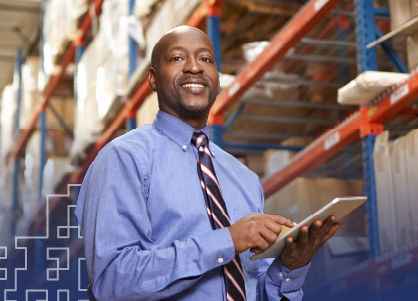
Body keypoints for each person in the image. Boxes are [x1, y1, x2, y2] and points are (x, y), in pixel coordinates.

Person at [75, 25, 340, 301]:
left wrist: (289, 267)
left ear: (217, 78)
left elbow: (253, 289)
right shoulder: (124, 159)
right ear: (153, 79)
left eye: (206, 59)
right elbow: (112, 282)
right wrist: (228, 241)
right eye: (177, 58)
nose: (194, 68)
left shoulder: (244, 179)